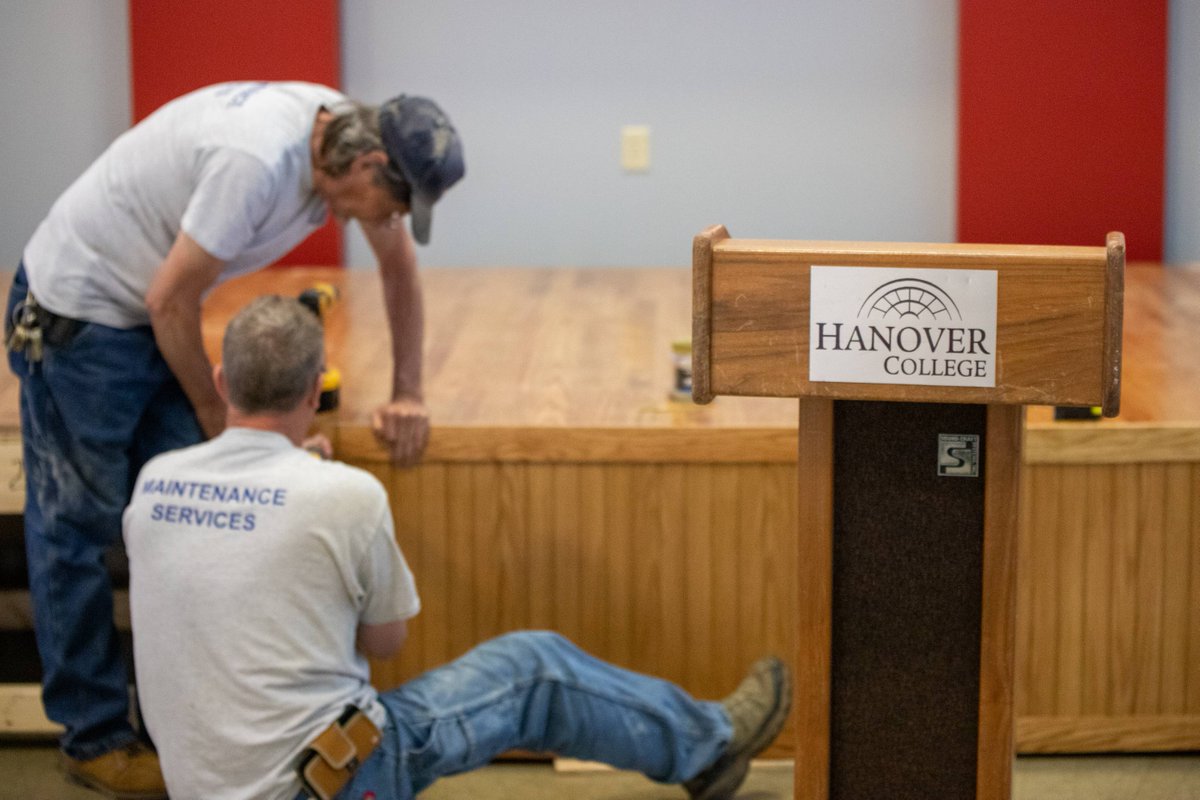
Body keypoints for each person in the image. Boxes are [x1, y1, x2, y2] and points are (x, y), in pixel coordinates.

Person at [122, 295, 792, 800]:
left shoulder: (155, 484)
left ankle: (703, 746)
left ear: (219, 381)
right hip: (328, 781)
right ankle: (709, 744)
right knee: (533, 668)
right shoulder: (341, 496)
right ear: (315, 385)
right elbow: (386, 641)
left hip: (203, 787)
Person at [6, 81, 464, 797]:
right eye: (398, 204)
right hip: (85, 310)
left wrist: (410, 391)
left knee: (199, 491)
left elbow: (398, 267)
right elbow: (169, 299)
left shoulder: (345, 135)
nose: (395, 221)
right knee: (77, 530)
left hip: (151, 306)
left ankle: (179, 729)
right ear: (369, 165)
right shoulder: (256, 161)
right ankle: (92, 739)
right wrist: (217, 419)